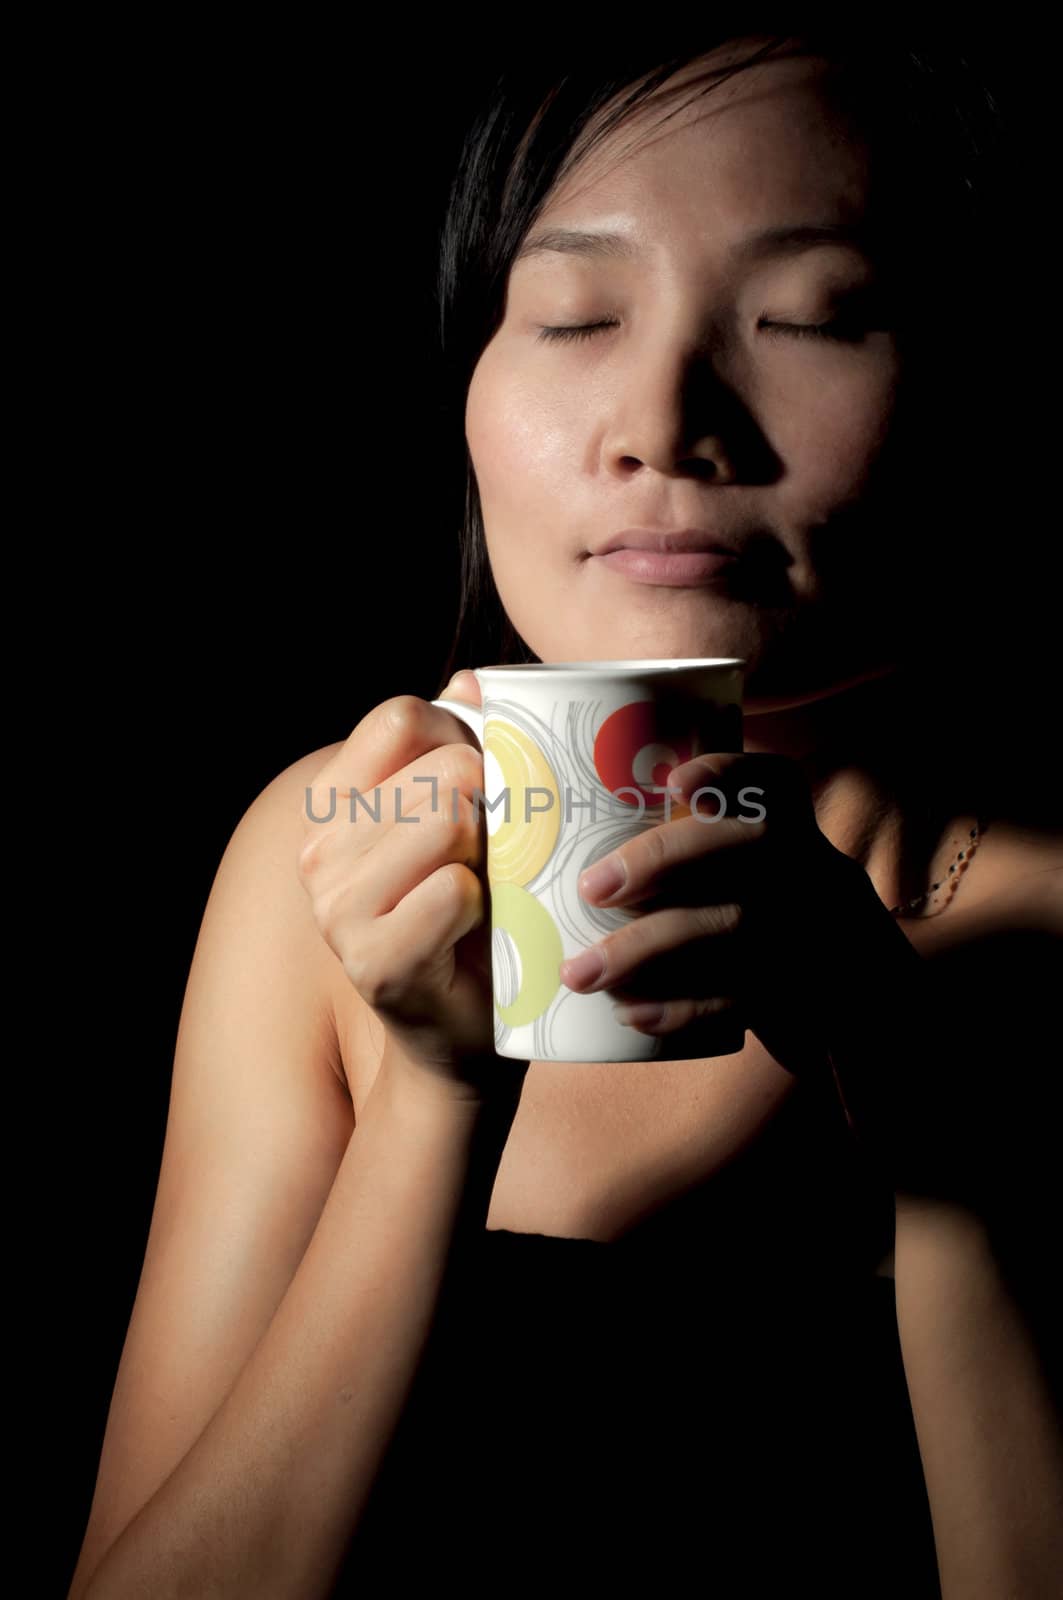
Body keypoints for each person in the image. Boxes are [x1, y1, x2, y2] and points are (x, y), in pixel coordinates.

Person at [69, 27, 1062, 1599]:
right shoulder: (320, 868)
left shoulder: (1040, 918)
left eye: (809, 315)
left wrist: (930, 1129)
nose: (663, 418)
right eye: (576, 314)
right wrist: (433, 1105)